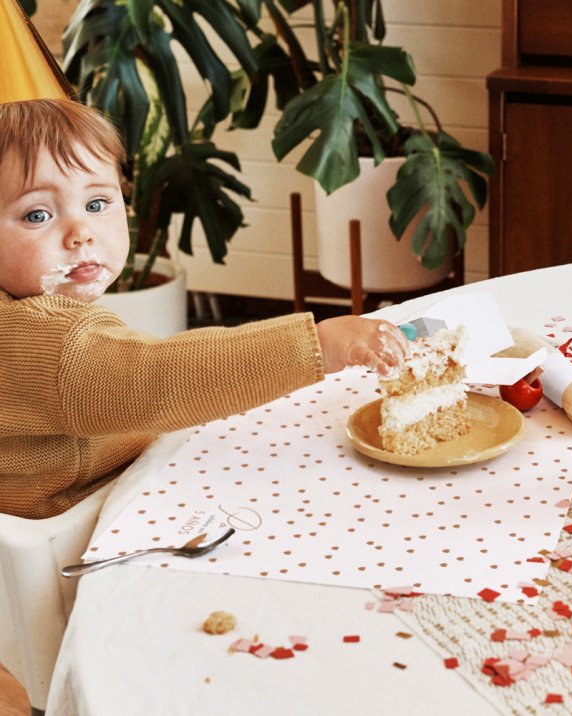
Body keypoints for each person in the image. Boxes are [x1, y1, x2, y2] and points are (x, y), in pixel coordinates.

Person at [0, 99, 409, 519]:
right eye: (37, 214)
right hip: (83, 528)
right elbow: (153, 379)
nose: (81, 233)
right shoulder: (42, 340)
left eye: (96, 204)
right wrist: (317, 345)